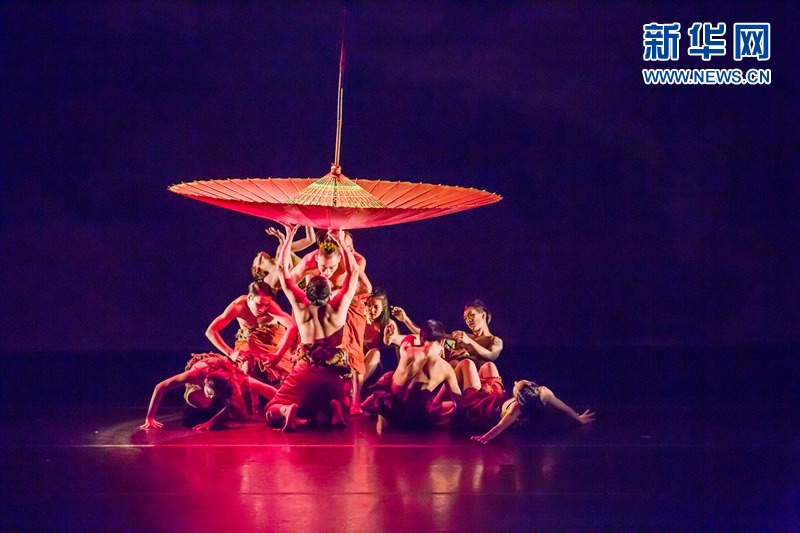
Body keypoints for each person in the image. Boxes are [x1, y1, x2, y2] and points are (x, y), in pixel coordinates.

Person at [265, 225, 361, 431]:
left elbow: (282, 271)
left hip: (306, 372)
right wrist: (342, 242)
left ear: (306, 292)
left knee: (271, 410)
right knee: (340, 400)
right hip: (332, 376)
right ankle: (335, 407)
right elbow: (354, 272)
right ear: (330, 292)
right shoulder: (339, 308)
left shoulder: (301, 308)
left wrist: (288, 238)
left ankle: (286, 410)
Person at [291, 230, 372, 415]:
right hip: (316, 304)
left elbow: (365, 288)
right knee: (307, 348)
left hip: (344, 304)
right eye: (343, 245)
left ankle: (356, 400)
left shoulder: (356, 259)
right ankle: (305, 395)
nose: (349, 250)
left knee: (352, 349)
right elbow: (288, 283)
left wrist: (337, 294)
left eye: (350, 246)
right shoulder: (312, 259)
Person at [452, 359, 595, 444]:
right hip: (496, 395)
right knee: (488, 365)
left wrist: (484, 438)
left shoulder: (516, 408)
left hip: (482, 405)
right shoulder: (544, 393)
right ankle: (477, 381)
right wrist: (580, 419)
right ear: (534, 386)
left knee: (467, 364)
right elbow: (566, 409)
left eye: (516, 385)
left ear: (517, 399)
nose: (515, 382)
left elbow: (500, 427)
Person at [362, 319, 462, 430]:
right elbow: (458, 403)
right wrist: (446, 417)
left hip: (390, 410)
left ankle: (366, 405)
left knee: (389, 376)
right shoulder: (446, 369)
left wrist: (404, 337)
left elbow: (409, 337)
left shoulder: (406, 350)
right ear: (443, 342)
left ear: (421, 339)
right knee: (442, 405)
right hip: (414, 419)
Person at [140, 353, 278, 430]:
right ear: (205, 382)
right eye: (210, 393)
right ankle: (206, 406)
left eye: (216, 395)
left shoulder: (235, 378)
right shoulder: (194, 375)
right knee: (201, 401)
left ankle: (283, 410)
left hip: (226, 375)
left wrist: (212, 422)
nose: (211, 396)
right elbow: (160, 387)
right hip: (202, 375)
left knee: (262, 390)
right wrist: (150, 418)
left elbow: (269, 390)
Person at [205, 280, 297, 387]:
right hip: (249, 340)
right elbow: (211, 331)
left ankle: (278, 393)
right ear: (249, 297)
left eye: (266, 305)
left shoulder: (271, 307)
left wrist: (278, 355)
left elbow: (292, 326)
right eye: (259, 304)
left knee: (287, 371)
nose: (262, 309)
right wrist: (230, 353)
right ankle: (249, 394)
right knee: (246, 365)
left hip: (271, 339)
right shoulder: (237, 306)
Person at [252, 226, 317, 290]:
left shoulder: (281, 249)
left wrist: (306, 222)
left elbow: (310, 239)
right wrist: (283, 239)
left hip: (317, 274)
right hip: (310, 291)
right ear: (257, 269)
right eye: (256, 257)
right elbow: (287, 267)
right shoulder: (268, 279)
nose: (258, 254)